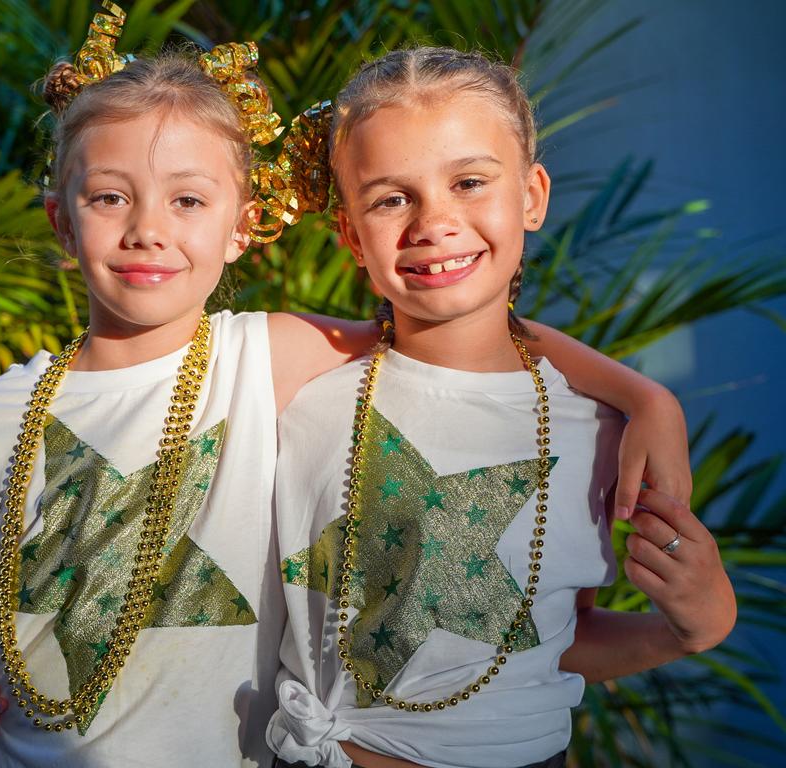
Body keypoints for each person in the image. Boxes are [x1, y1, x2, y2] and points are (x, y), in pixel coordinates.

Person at [0, 6, 703, 765]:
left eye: (189, 198)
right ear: (62, 221)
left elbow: (458, 334)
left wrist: (646, 399)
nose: (147, 229)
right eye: (108, 196)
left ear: (244, 224)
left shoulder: (268, 357)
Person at [264, 47, 736, 768]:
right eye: (392, 198)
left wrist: (689, 629)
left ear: (532, 196)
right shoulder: (299, 383)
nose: (433, 222)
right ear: (352, 236)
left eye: (470, 181)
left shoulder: (600, 431)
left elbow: (544, 642)